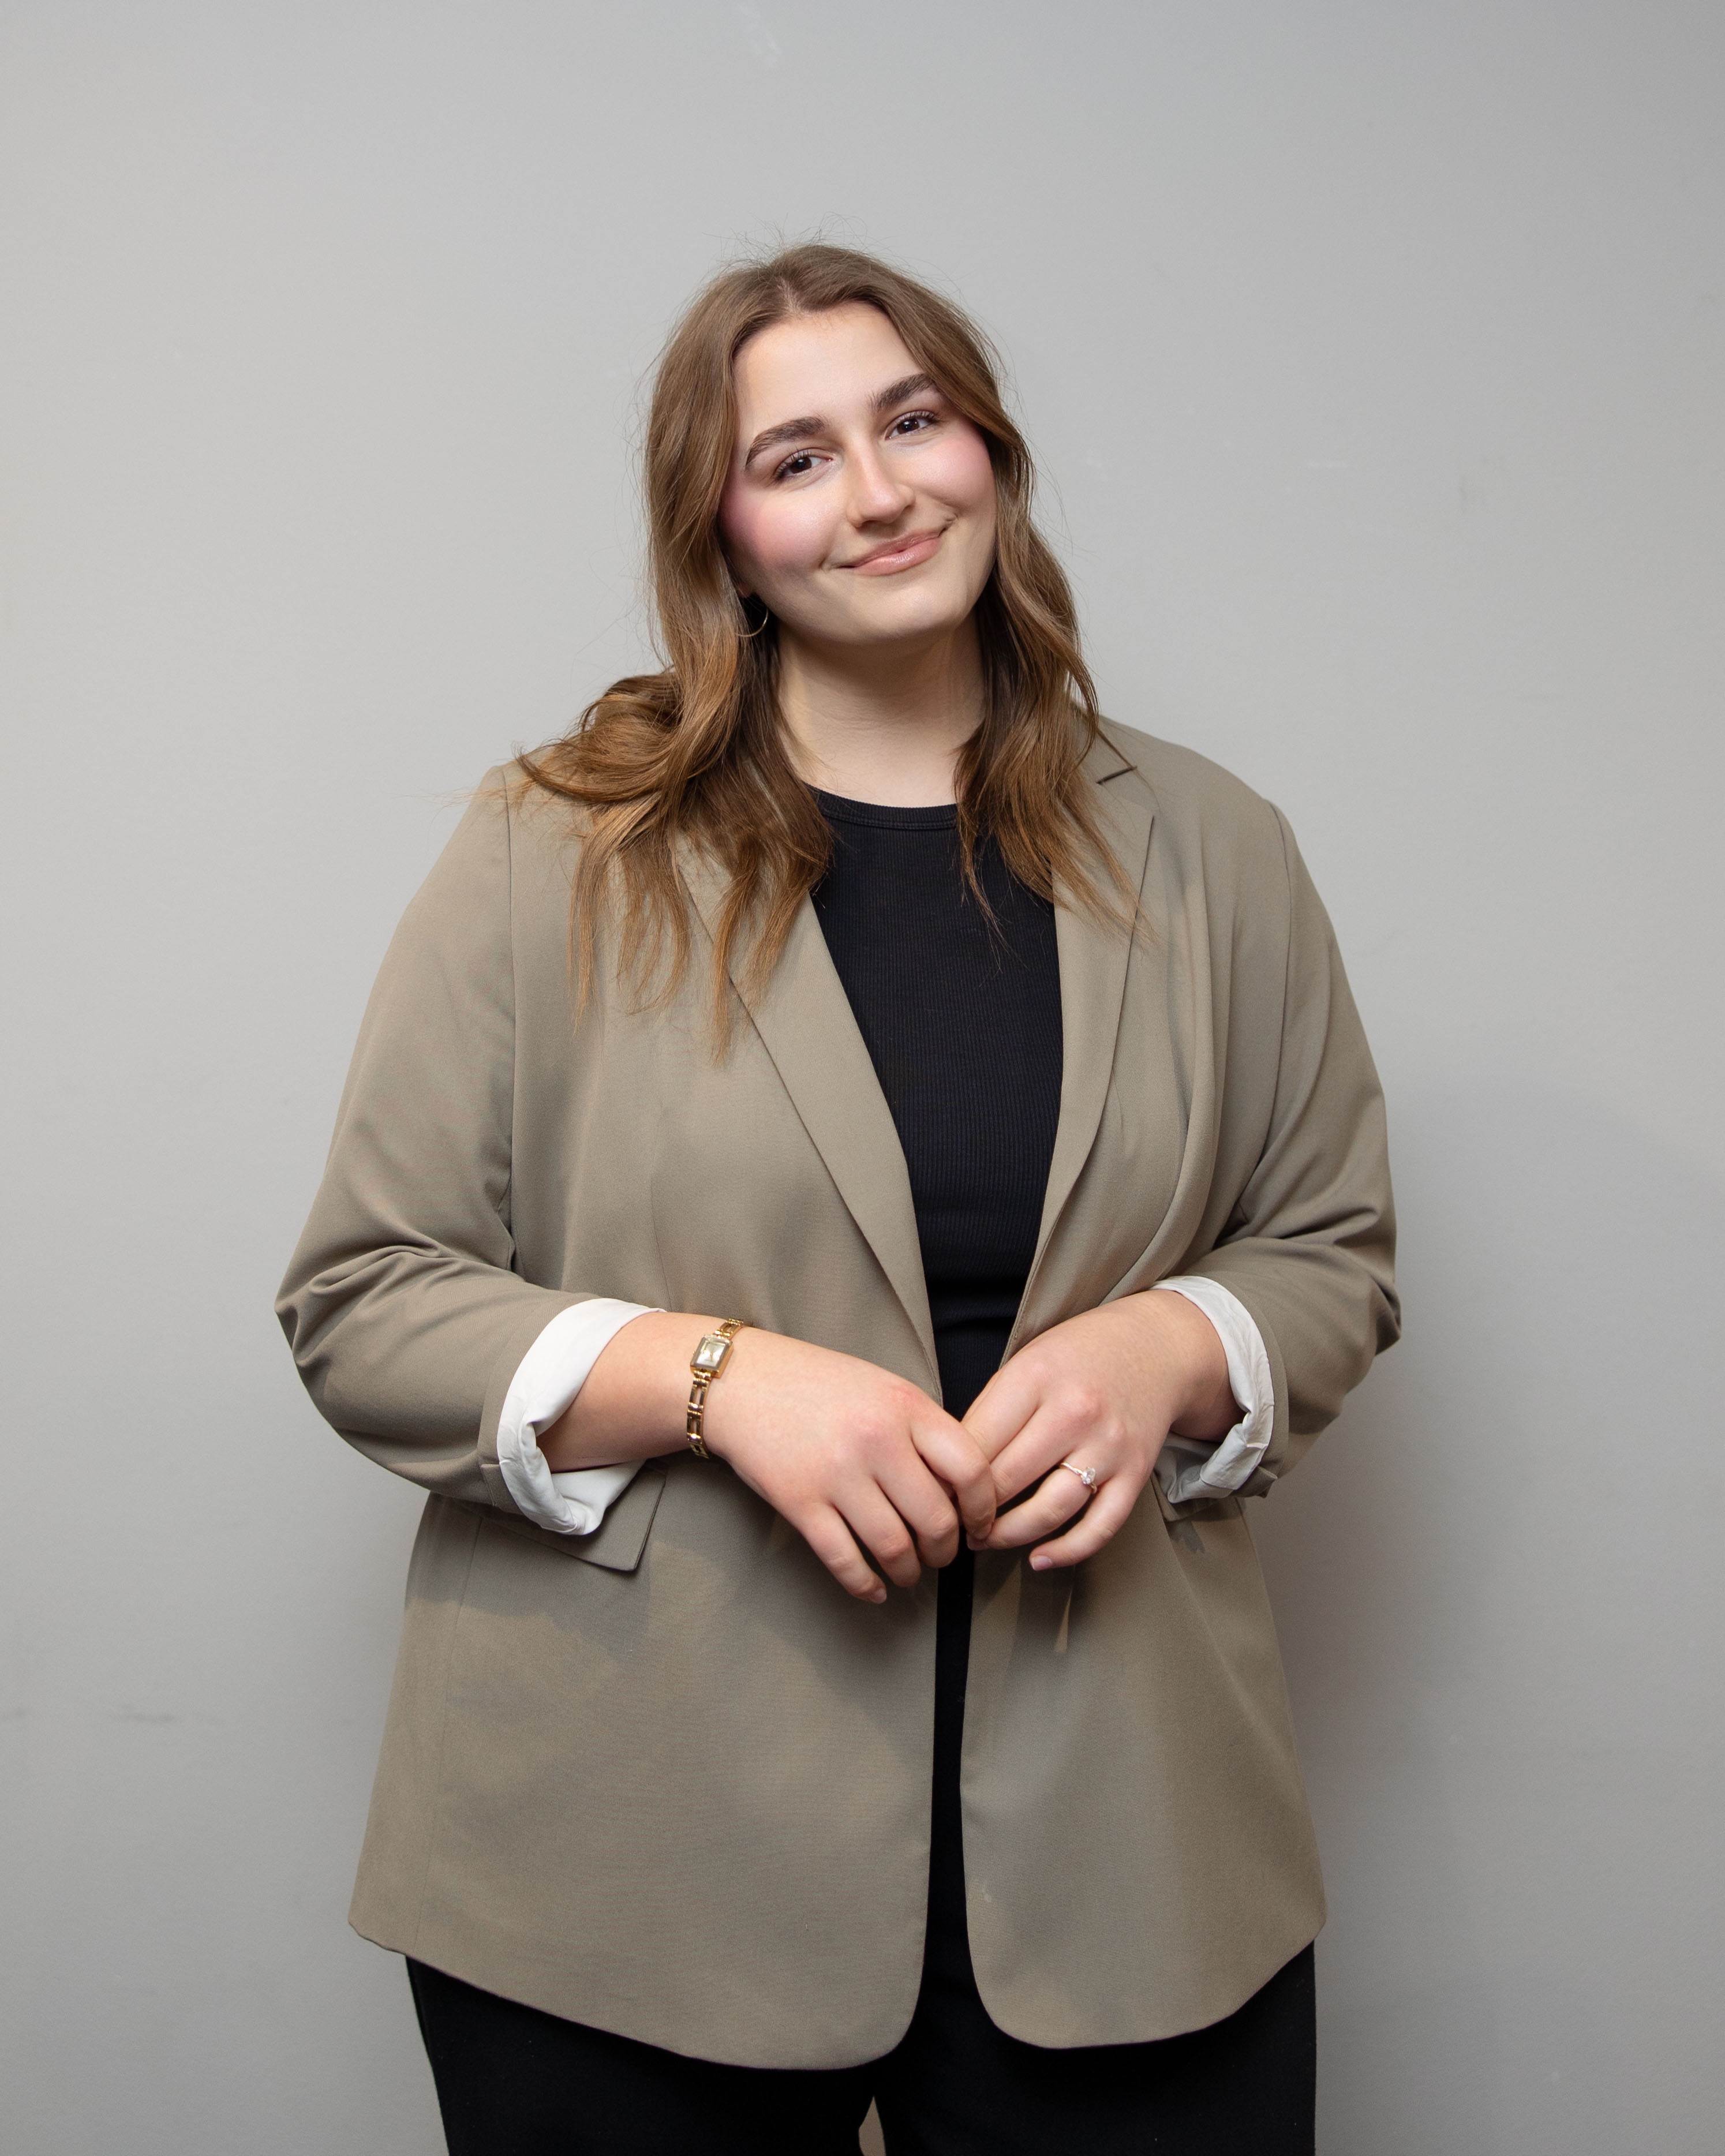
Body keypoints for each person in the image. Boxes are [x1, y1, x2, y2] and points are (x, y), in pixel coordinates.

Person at [279, 242, 1398, 2156]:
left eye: (914, 421)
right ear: (719, 536)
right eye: (793, 459)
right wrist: (718, 1380)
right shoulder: (556, 847)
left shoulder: (1218, 848)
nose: (877, 492)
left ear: (991, 453)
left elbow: (1331, 1252)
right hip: (633, 1850)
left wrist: (1172, 1345)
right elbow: (366, 1298)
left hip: (1128, 1840)